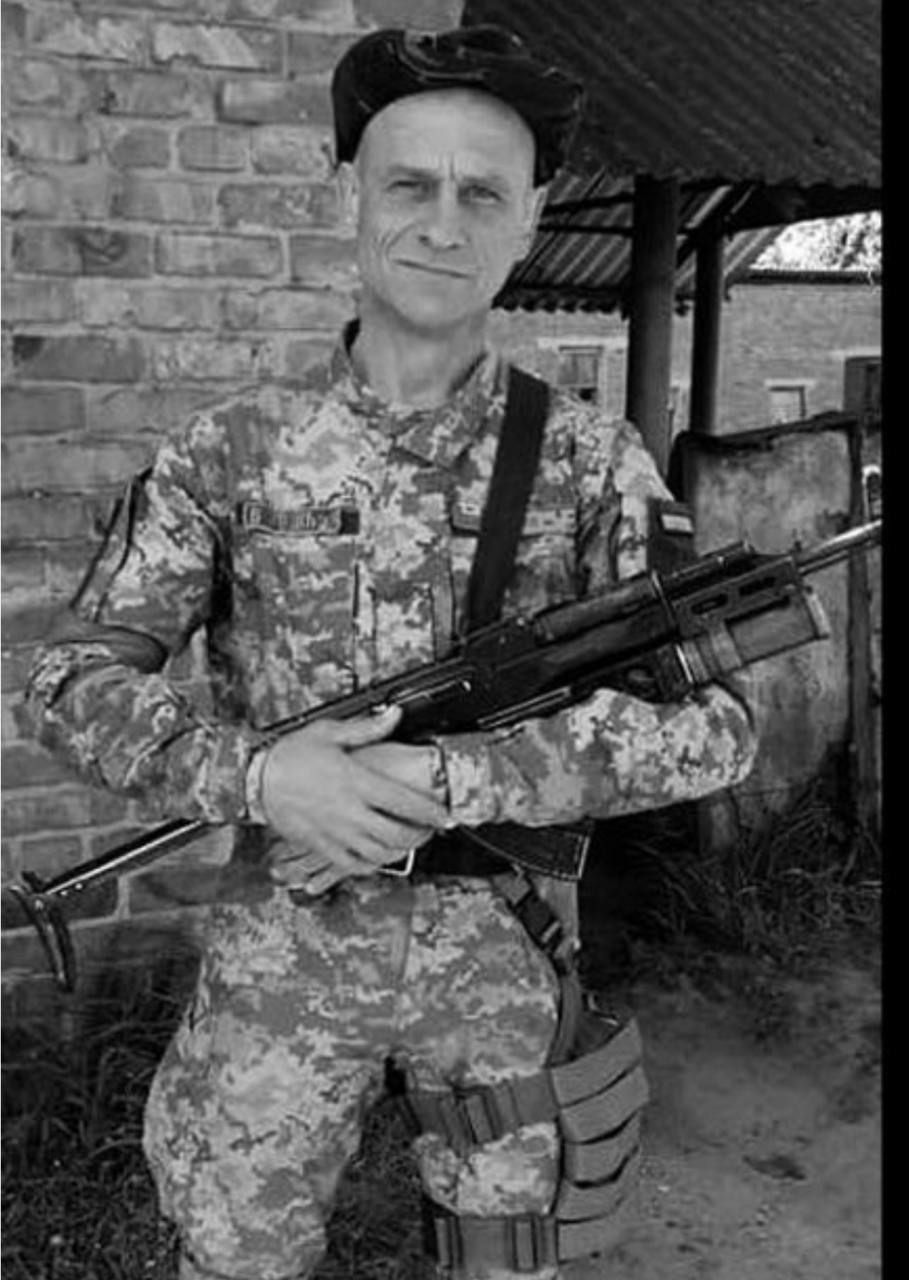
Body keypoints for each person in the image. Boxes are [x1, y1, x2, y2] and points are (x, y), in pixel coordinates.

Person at [24, 24, 757, 1280]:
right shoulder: (230, 453)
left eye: (483, 193)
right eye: (409, 183)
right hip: (282, 962)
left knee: (509, 1259)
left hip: (507, 956)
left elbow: (719, 725)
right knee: (237, 1256)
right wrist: (262, 776)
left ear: (529, 219)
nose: (442, 222)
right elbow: (69, 684)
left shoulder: (591, 463)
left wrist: (471, 779)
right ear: (347, 193)